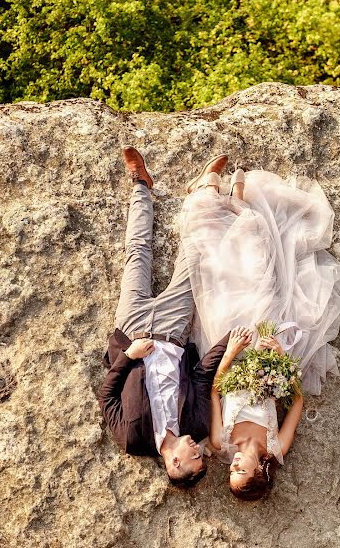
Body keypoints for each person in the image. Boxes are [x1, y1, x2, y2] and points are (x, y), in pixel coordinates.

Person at [177, 166, 340, 499]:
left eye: (231, 471)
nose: (233, 464)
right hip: (267, 354)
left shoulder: (219, 442)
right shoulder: (276, 447)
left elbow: (214, 392)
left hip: (232, 349)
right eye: (240, 471)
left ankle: (218, 202)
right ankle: (240, 206)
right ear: (259, 471)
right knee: (264, 283)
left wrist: (229, 352)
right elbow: (296, 402)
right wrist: (282, 360)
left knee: (224, 280)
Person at [98, 147, 232, 488]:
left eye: (195, 458)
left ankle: (141, 185)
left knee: (137, 253)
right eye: (202, 455)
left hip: (132, 329)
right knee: (194, 257)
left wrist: (128, 357)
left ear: (175, 463)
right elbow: (202, 377)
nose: (199, 450)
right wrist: (230, 339)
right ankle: (202, 194)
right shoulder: (197, 425)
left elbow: (107, 396)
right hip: (174, 330)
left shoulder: (132, 438)